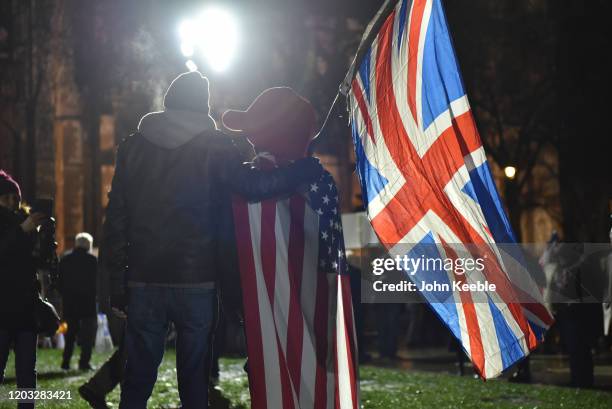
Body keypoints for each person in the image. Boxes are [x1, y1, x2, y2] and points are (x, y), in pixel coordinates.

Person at [102, 71, 322, 409]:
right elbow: (253, 187)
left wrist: (116, 282)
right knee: (195, 377)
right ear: (202, 105)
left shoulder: (134, 146)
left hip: (144, 277)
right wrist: (301, 169)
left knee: (138, 376)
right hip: (198, 276)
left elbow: (116, 218)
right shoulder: (215, 145)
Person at [0, 170, 46, 409]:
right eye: (5, 197)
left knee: (27, 373)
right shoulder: (21, 227)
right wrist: (21, 231)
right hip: (2, 308)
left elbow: (37, 263)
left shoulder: (26, 224)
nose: (11, 202)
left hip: (26, 307)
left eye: (14, 197)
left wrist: (44, 241)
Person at [58, 232, 98, 371]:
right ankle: (84, 362)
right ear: (89, 245)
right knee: (88, 336)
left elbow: (59, 281)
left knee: (70, 335)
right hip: (88, 303)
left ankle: (66, 361)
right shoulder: (93, 261)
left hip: (70, 302)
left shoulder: (65, 260)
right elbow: (97, 283)